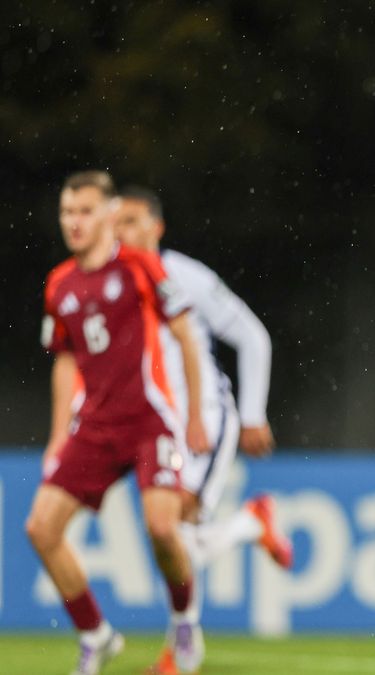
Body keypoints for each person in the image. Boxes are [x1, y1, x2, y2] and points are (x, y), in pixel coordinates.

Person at [26, 170, 210, 675]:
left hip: (150, 419)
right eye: (67, 213)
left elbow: (186, 338)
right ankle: (97, 635)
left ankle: (185, 619)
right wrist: (59, 435)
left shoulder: (140, 268)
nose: (74, 223)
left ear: (108, 215)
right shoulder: (59, 283)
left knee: (160, 527)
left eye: (85, 211)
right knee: (41, 528)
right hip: (97, 427)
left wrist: (194, 415)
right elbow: (64, 361)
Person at [113, 186, 292, 675]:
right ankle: (252, 523)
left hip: (204, 418)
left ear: (156, 227)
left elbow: (252, 335)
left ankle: (181, 652)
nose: (120, 232)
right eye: (116, 223)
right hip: (153, 426)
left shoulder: (186, 277)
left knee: (171, 529)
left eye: (130, 222)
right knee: (170, 537)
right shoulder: (110, 283)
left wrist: (252, 412)